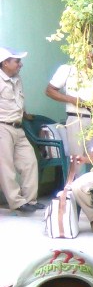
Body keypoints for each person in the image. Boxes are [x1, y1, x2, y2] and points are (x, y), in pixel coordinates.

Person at [44, 58, 93, 159]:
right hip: (77, 119)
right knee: (78, 161)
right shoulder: (68, 69)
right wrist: (72, 100)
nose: (92, 53)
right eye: (89, 49)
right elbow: (49, 91)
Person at [0, 47, 41, 215]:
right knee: (6, 167)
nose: (20, 64)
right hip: (2, 126)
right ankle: (16, 203)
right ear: (5, 63)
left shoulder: (16, 78)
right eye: (17, 61)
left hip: (18, 126)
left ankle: (30, 200)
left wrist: (25, 115)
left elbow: (18, 102)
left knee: (30, 161)